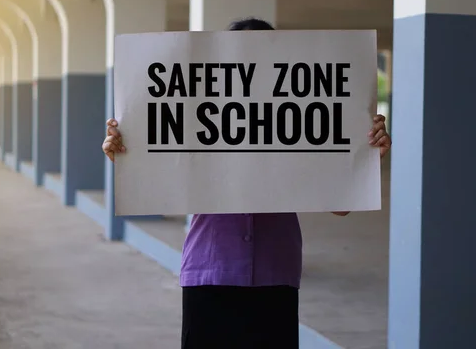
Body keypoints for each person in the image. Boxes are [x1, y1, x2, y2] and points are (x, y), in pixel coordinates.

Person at [102, 18, 392, 349]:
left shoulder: (297, 124)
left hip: (275, 273)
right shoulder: (193, 116)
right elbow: (156, 183)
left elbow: (340, 208)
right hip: (210, 271)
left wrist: (367, 156)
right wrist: (127, 155)